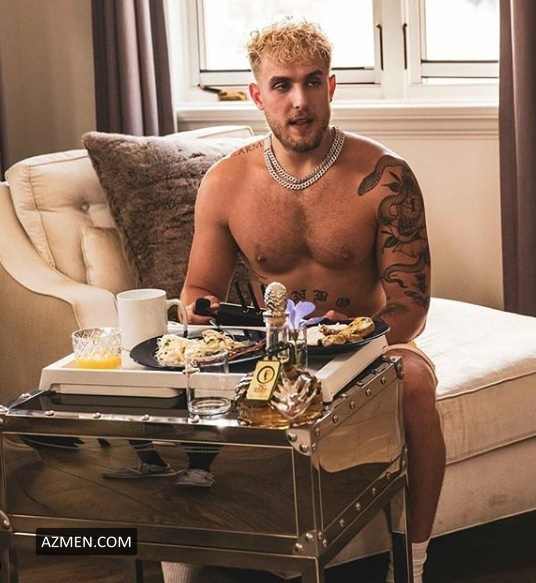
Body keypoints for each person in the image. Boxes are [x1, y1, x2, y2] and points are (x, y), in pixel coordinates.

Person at [165, 17, 446, 583]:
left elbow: (411, 306)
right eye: (282, 85)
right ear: (257, 95)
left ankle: (413, 566)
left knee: (415, 380)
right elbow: (198, 291)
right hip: (267, 352)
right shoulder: (225, 182)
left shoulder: (385, 176)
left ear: (331, 86)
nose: (300, 100)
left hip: (365, 347)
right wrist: (196, 310)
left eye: (313, 82)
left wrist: (357, 334)